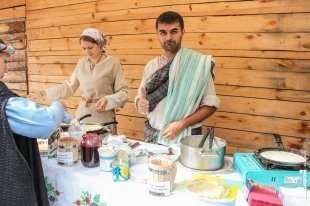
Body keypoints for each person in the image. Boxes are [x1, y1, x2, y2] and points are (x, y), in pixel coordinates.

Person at [0, 40, 71, 205]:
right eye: (4, 61)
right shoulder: (5, 103)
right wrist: (59, 105)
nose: (6, 67)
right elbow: (47, 122)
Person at [135, 11, 220, 146]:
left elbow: (211, 105)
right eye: (163, 32)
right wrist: (140, 102)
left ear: (183, 31)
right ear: (157, 34)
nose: (168, 37)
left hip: (186, 136)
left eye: (174, 31)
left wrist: (182, 124)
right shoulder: (151, 66)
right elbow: (140, 98)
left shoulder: (198, 64)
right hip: (153, 136)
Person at [28, 28, 130, 133]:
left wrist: (108, 100)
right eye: (84, 48)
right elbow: (69, 87)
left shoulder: (113, 63)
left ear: (100, 44)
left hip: (104, 119)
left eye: (90, 47)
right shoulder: (81, 63)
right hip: (82, 117)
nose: (87, 52)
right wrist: (43, 93)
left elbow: (124, 93)